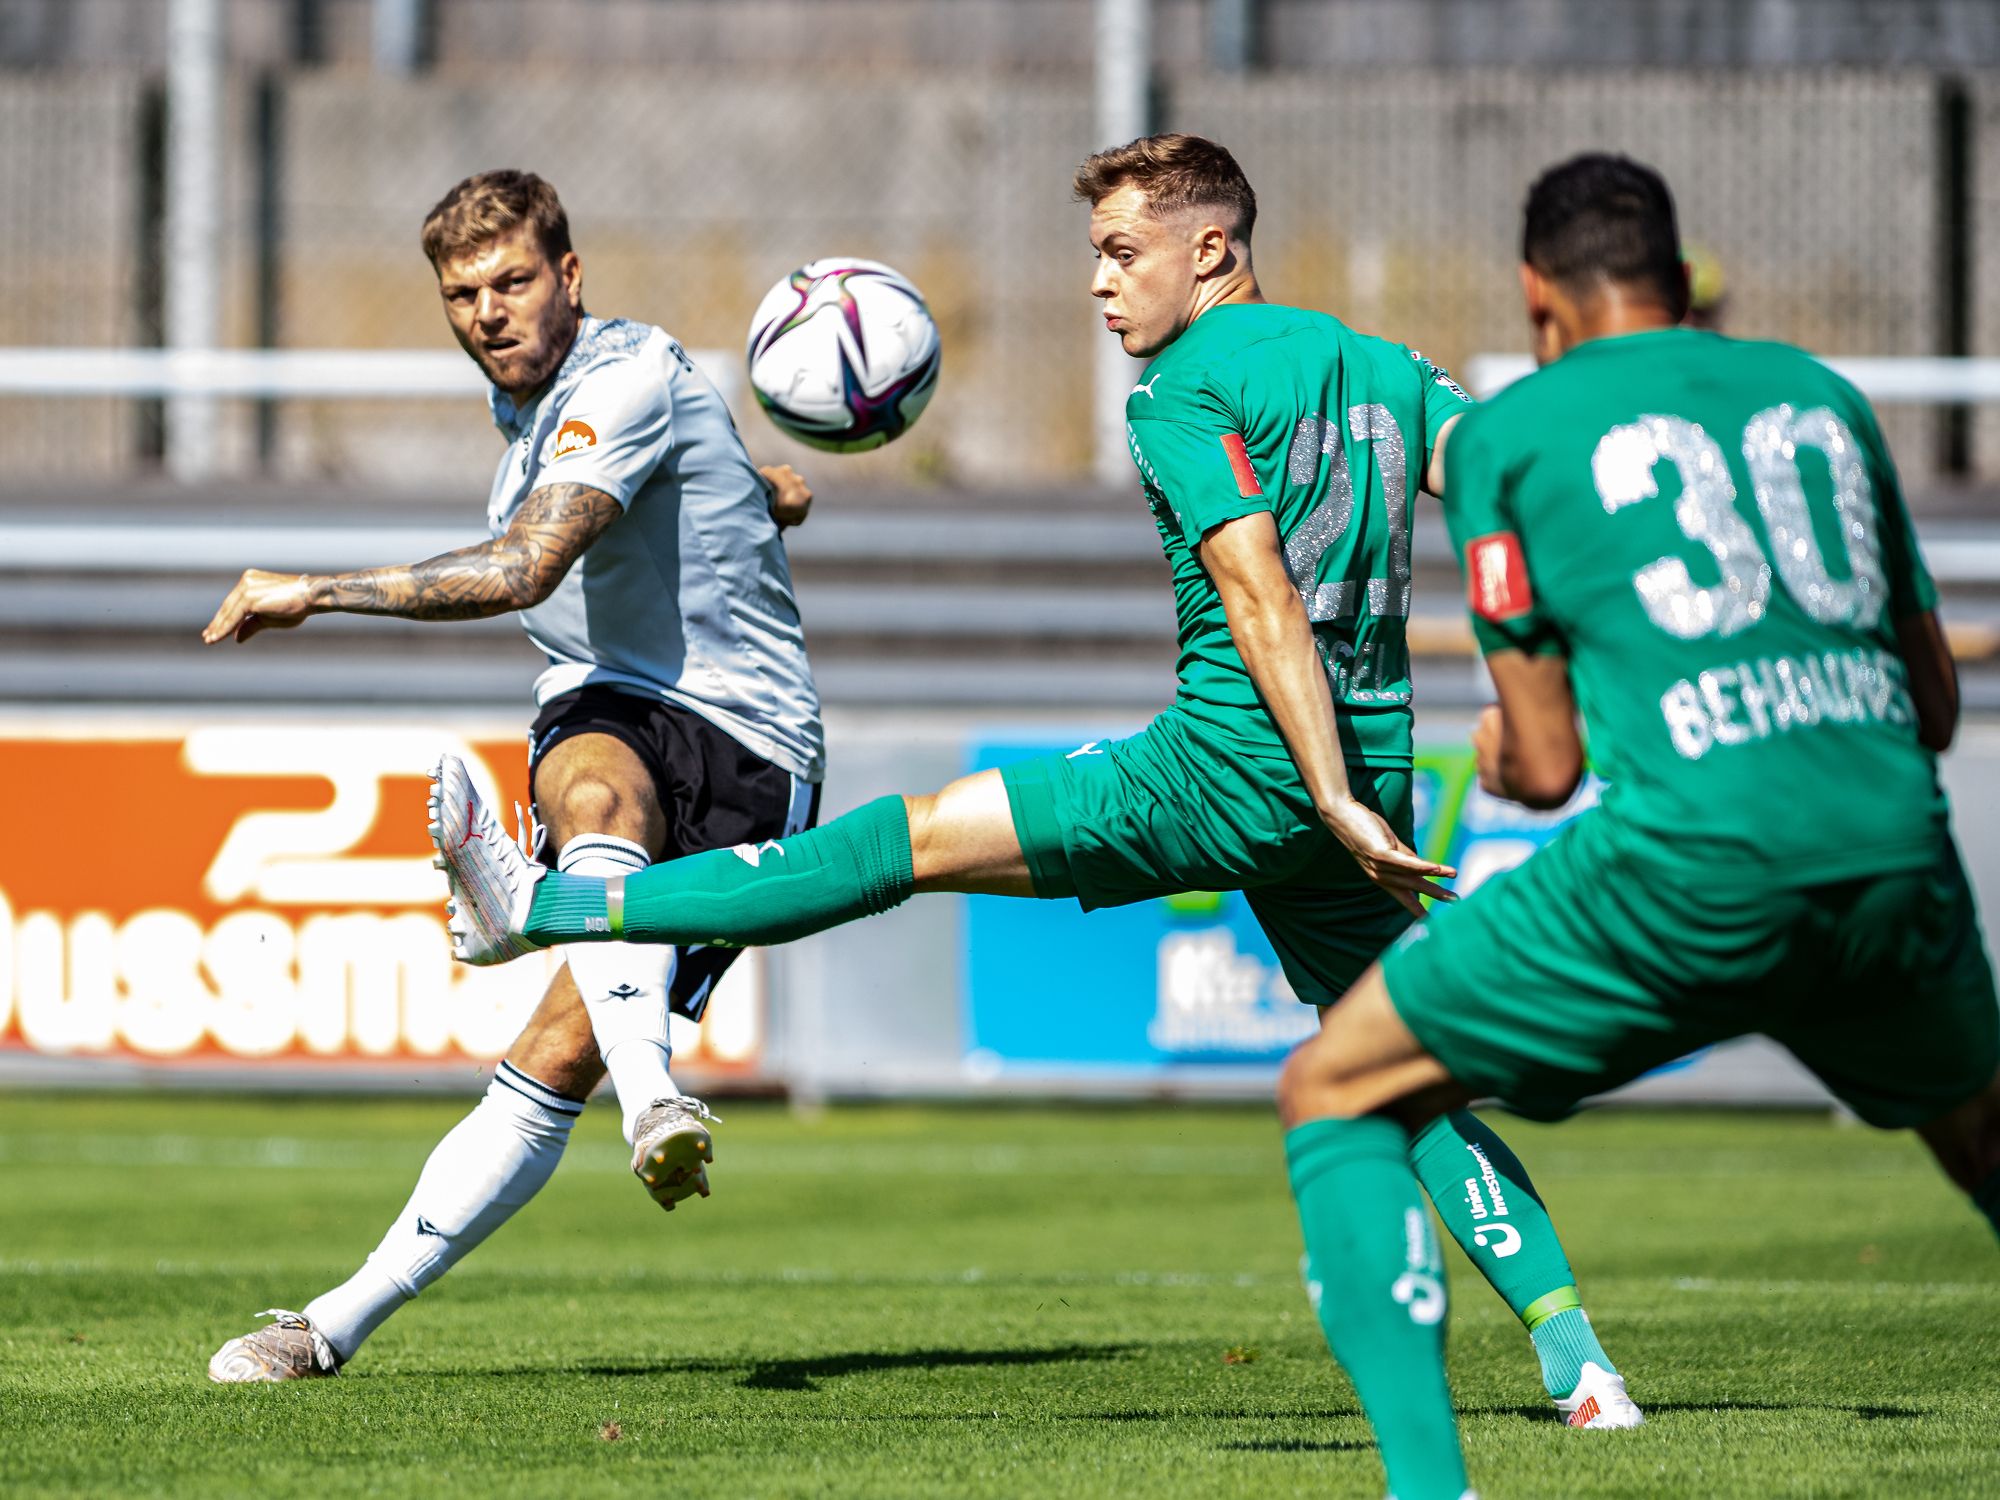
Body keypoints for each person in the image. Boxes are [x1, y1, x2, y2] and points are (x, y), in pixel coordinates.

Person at [430, 134, 1640, 1428]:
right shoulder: (1381, 365)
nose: (1100, 285)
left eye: (1121, 254)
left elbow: (1258, 595)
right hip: (1367, 775)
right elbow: (1508, 480)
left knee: (904, 842)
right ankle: (1582, 1368)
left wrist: (1321, 788)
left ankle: (551, 907)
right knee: (1409, 1080)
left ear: (1210, 251)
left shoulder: (1178, 394)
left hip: (1230, 770)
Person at [1273, 152, 2000, 1500]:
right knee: (1981, 1142)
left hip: (1690, 868)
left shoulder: (1509, 436)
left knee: (1339, 1086)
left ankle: (1431, 1491)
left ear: (1535, 294)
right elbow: (1936, 706)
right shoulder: (1823, 398)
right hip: (1893, 853)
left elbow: (1546, 767)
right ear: (1680, 276)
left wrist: (1501, 748)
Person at [203, 170, 825, 1382]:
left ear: (569, 277)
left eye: (513, 282)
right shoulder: (537, 412)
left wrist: (313, 589)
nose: (488, 313)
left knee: (552, 1058)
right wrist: (760, 491)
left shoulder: (623, 377)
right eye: (462, 294)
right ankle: (328, 1328)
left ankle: (542, 926)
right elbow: (663, 489)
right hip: (611, 706)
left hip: (755, 746)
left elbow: (525, 567)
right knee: (593, 786)